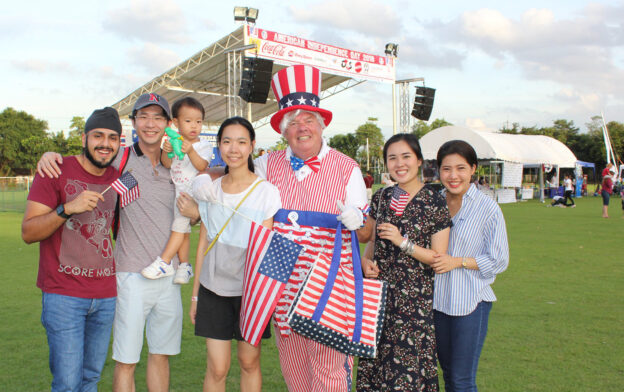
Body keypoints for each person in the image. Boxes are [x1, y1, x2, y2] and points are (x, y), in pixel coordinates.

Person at [195, 64, 368, 391]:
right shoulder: (267, 164)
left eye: (309, 120)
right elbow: (236, 169)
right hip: (283, 283)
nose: (302, 128)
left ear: (321, 125)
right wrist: (207, 177)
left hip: (330, 286)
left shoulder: (348, 168)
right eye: (294, 122)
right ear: (283, 131)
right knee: (295, 372)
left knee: (329, 373)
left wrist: (359, 221)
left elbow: (365, 231)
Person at [37, 93, 191, 392]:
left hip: (169, 275)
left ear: (168, 124)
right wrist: (48, 154)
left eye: (158, 117)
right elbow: (90, 157)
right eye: (143, 116)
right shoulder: (121, 158)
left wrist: (195, 212)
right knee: (126, 360)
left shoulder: (177, 164)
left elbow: (196, 202)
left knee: (160, 356)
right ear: (133, 123)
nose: (150, 123)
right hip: (130, 273)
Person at [22, 107, 122, 392]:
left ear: (119, 142)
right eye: (98, 136)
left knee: (90, 379)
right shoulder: (55, 170)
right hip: (64, 296)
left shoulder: (117, 178)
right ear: (83, 138)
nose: (105, 143)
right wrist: (67, 208)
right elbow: (28, 233)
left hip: (105, 296)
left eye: (112, 137)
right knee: (67, 383)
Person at [191, 117, 281, 392]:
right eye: (227, 141)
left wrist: (265, 299)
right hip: (213, 289)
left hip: (251, 293)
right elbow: (204, 242)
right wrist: (195, 295)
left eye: (241, 142)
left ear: (252, 146)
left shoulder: (267, 193)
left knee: (249, 362)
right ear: (219, 146)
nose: (234, 148)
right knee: (217, 368)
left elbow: (266, 248)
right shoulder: (211, 191)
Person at [356, 133, 451, 392]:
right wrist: (365, 263)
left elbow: (437, 257)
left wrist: (403, 242)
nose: (400, 163)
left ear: (419, 160)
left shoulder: (434, 200)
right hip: (379, 301)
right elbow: (372, 242)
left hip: (413, 307)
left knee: (406, 376)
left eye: (406, 156)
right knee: (375, 374)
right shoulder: (382, 197)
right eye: (392, 158)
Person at [431, 140, 509, 392]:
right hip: (437, 301)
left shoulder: (487, 208)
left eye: (461, 168)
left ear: (473, 169)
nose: (453, 176)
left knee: (463, 380)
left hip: (471, 302)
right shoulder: (433, 203)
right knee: (449, 377)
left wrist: (458, 261)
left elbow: (499, 260)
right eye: (446, 169)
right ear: (438, 171)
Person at [141, 97, 212, 283]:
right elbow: (167, 164)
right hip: (179, 191)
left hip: (191, 194)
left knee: (178, 228)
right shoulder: (175, 142)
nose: (194, 126)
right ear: (175, 123)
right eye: (188, 121)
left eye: (198, 121)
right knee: (184, 231)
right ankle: (184, 266)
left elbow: (202, 165)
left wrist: (190, 151)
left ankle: (164, 262)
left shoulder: (203, 146)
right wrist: (166, 150)